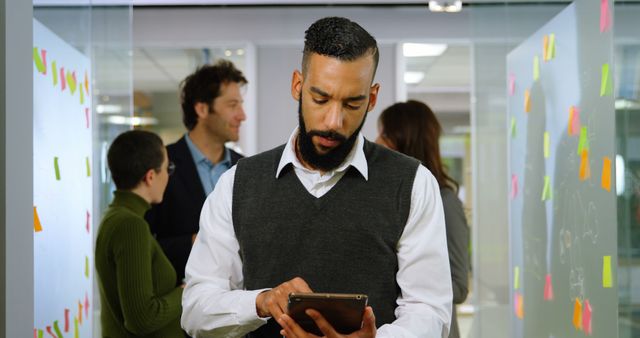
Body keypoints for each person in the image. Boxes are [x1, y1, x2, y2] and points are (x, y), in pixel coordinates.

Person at [181, 17, 452, 338]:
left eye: (353, 103)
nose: (333, 121)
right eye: (320, 99)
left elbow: (429, 309)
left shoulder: (413, 183)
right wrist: (261, 301)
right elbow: (196, 309)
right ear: (298, 85)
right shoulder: (237, 184)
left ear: (373, 97)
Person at [145, 59, 248, 286]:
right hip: (180, 306)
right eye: (232, 105)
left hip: (241, 306)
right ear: (201, 108)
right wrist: (196, 241)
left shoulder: (247, 169)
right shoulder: (160, 165)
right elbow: (142, 247)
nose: (242, 115)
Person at [376, 100, 470, 338]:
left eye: (385, 134)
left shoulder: (445, 202)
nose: (376, 142)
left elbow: (459, 286)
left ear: (405, 140)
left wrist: (415, 276)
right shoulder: (389, 199)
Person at [95, 130, 183, 337]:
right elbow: (142, 319)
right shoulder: (130, 225)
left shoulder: (115, 216)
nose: (168, 177)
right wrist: (185, 292)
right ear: (150, 176)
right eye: (167, 168)